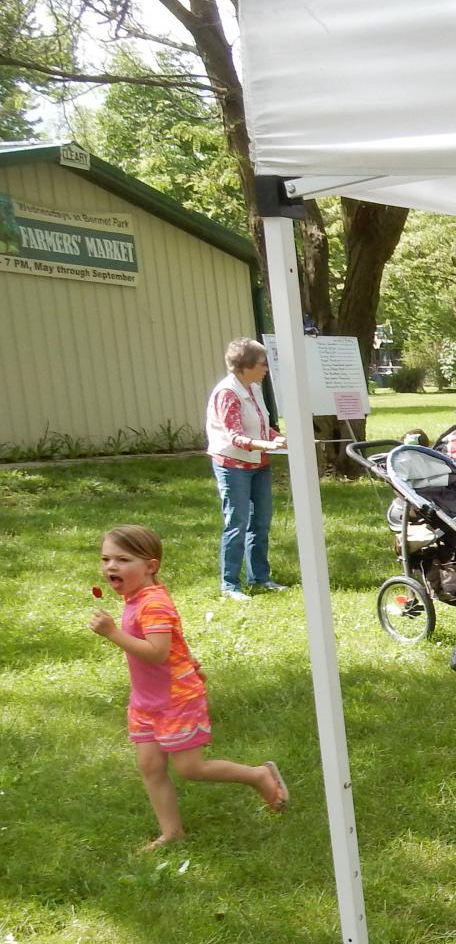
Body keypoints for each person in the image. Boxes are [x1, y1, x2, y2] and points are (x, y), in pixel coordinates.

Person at [91, 525, 289, 849]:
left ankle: (258, 776)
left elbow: (158, 652)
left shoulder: (152, 604)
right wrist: (192, 663)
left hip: (175, 698)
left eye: (122, 559)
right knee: (150, 766)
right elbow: (175, 643)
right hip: (146, 700)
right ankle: (172, 833)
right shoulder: (136, 596)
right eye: (106, 559)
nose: (111, 567)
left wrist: (112, 633)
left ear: (150, 566)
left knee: (191, 768)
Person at [204, 337, 287, 602]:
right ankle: (230, 584)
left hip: (258, 463)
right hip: (233, 465)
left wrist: (278, 437)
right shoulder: (227, 392)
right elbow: (235, 438)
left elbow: (261, 425)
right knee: (237, 523)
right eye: (263, 363)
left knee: (261, 522)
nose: (266, 369)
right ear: (246, 365)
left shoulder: (254, 387)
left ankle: (260, 578)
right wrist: (269, 444)